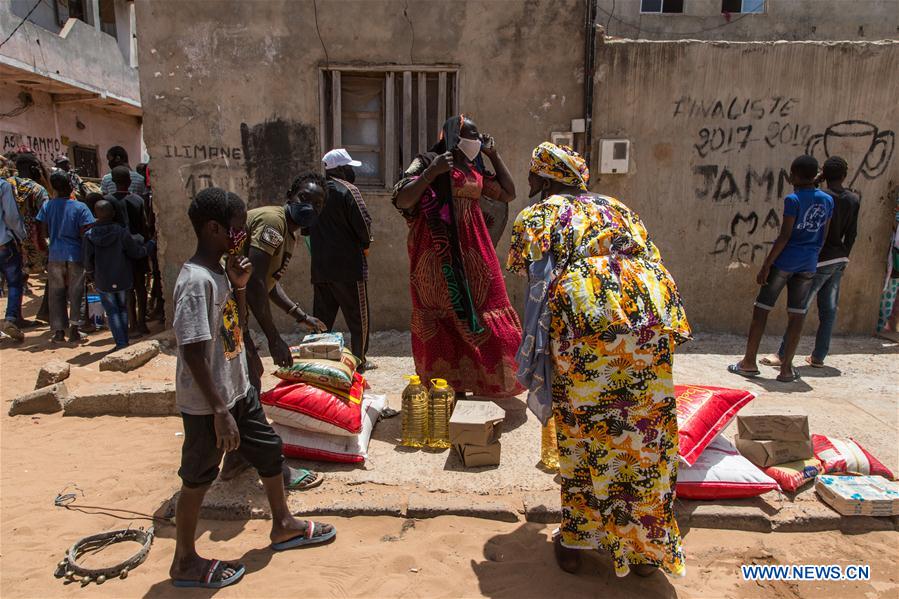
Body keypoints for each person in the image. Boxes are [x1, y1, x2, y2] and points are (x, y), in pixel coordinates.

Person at [507, 142, 690, 578]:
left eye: (532, 173)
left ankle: (577, 542)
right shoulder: (619, 207)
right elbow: (650, 257)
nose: (529, 180)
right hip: (649, 318)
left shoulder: (539, 214)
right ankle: (645, 548)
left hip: (587, 322)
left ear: (544, 177)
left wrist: (536, 353)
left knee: (585, 432)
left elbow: (532, 277)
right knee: (644, 435)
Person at [169, 187, 335, 589]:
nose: (242, 236)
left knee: (269, 451)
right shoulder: (196, 282)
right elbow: (192, 352)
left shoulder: (221, 273)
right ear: (214, 229)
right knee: (198, 477)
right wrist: (220, 412)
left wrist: (241, 286)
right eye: (237, 228)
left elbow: (235, 325)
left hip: (238, 390)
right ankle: (184, 560)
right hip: (209, 404)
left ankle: (283, 524)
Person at [392, 115, 523, 398]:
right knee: (442, 312)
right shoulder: (427, 161)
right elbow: (401, 197)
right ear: (452, 136)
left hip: (474, 250)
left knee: (488, 305)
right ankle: (448, 385)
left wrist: (493, 155)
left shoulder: (474, 168)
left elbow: (508, 193)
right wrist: (433, 172)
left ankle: (482, 380)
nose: (476, 141)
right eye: (471, 136)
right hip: (437, 252)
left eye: (478, 137)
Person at [219, 176, 327, 488]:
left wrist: (299, 315)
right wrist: (274, 338)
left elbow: (267, 281)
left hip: (234, 310)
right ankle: (272, 466)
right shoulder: (273, 223)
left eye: (318, 204)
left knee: (247, 379)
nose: (310, 207)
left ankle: (236, 458)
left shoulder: (288, 232)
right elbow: (253, 282)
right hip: (226, 308)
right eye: (305, 198)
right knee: (250, 382)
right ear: (290, 194)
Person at [729, 155, 833, 383]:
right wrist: (812, 255)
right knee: (797, 315)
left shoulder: (793, 200)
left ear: (794, 175)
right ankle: (786, 369)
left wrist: (766, 265)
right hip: (808, 264)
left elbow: (785, 236)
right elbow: (823, 235)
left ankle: (749, 362)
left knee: (762, 309)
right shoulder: (827, 200)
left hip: (785, 262)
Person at [761, 156, 860, 368]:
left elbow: (805, 190)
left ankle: (783, 355)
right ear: (844, 176)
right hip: (839, 258)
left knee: (799, 309)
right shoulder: (853, 199)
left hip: (818, 259)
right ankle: (818, 356)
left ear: (823, 174)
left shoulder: (822, 196)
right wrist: (845, 255)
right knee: (829, 310)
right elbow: (852, 233)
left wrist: (817, 178)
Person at [309, 149, 374, 369]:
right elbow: (363, 224)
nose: (351, 172)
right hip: (349, 267)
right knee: (358, 319)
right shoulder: (349, 190)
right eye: (349, 167)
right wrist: (366, 244)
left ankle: (318, 360)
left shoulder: (315, 192)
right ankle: (360, 360)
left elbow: (306, 229)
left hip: (321, 267)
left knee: (321, 319)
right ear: (340, 169)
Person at [83, 200, 150, 350]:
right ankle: (124, 341)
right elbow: (135, 252)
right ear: (113, 213)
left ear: (95, 214)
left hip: (103, 280)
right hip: (122, 277)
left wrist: (91, 275)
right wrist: (149, 246)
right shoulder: (121, 232)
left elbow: (87, 260)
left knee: (112, 311)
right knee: (122, 308)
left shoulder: (89, 235)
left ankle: (121, 343)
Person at [36, 172, 95, 343]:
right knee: (77, 291)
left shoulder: (48, 206)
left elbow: (41, 229)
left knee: (56, 292)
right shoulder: (80, 207)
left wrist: (46, 248)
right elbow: (87, 231)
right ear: (70, 186)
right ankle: (75, 330)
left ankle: (59, 332)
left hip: (55, 254)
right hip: (75, 254)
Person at [107, 165, 150, 336]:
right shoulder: (138, 200)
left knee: (127, 289)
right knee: (141, 286)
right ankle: (142, 323)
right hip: (138, 247)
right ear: (130, 181)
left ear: (113, 181)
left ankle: (132, 324)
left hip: (119, 251)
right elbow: (145, 225)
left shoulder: (108, 201)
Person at [0, 177, 28, 341]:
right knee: (14, 282)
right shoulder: (3, 186)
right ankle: (10, 319)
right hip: (3, 244)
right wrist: (21, 236)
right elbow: (11, 217)